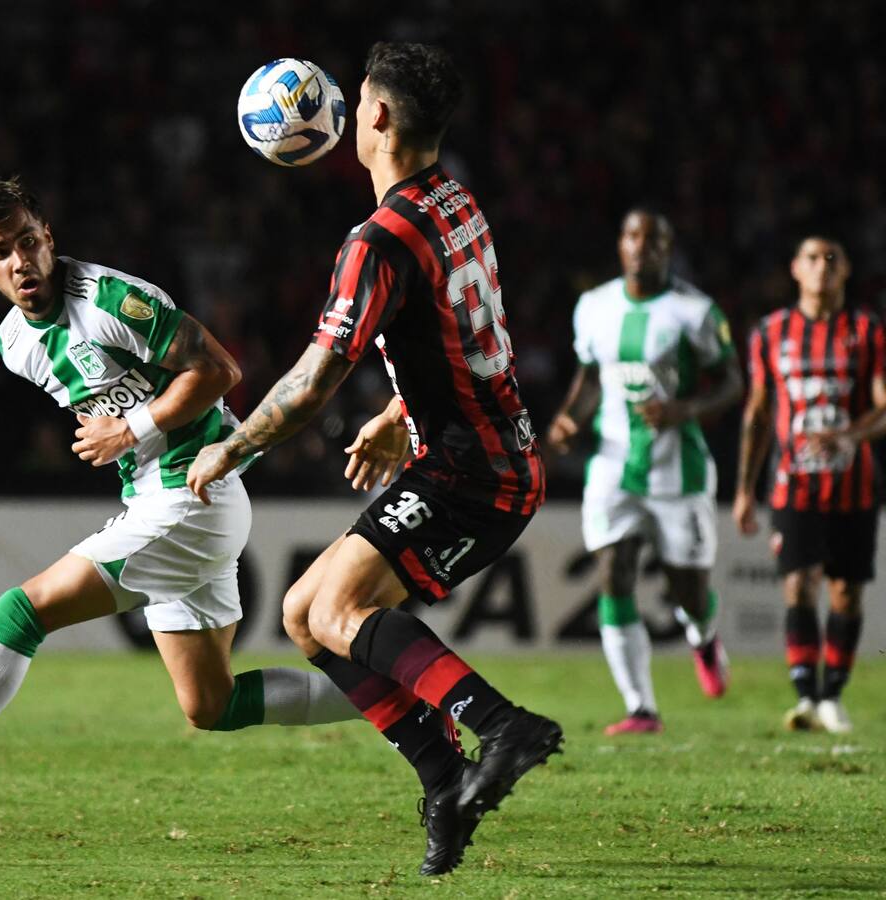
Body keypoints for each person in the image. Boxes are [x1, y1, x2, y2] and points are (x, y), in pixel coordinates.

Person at [0, 176, 359, 828]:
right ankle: (398, 694)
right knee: (211, 704)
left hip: (191, 496)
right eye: (0, 251)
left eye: (27, 241)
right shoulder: (15, 344)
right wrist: (129, 435)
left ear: (48, 237)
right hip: (162, 501)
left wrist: (132, 430)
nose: (21, 261)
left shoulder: (110, 301)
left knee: (21, 612)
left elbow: (219, 371)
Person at [188, 42, 562, 877]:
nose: (352, 116)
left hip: (477, 475)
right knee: (299, 614)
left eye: (358, 103)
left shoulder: (379, 238)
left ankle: (500, 726)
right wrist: (401, 408)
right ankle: (446, 777)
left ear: (381, 119)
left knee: (338, 612)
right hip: (473, 451)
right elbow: (468, 336)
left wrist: (234, 444)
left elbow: (317, 378)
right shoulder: (455, 200)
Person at [545, 210, 743, 735]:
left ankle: (703, 636)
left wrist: (685, 409)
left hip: (679, 470)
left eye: (654, 239)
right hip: (612, 465)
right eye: (633, 236)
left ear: (668, 249)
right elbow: (590, 377)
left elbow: (732, 382)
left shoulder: (695, 312)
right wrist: (569, 419)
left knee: (689, 592)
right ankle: (641, 708)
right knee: (614, 574)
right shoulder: (594, 307)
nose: (643, 247)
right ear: (621, 244)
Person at [733, 236, 885, 734]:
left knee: (845, 592)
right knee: (799, 584)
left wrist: (848, 436)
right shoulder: (771, 332)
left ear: (845, 271)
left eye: (832, 259)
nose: (823, 266)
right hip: (791, 483)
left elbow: (883, 405)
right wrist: (743, 489)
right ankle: (804, 696)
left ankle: (831, 696)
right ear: (796, 269)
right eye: (813, 259)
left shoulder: (866, 330)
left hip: (854, 484)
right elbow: (757, 413)